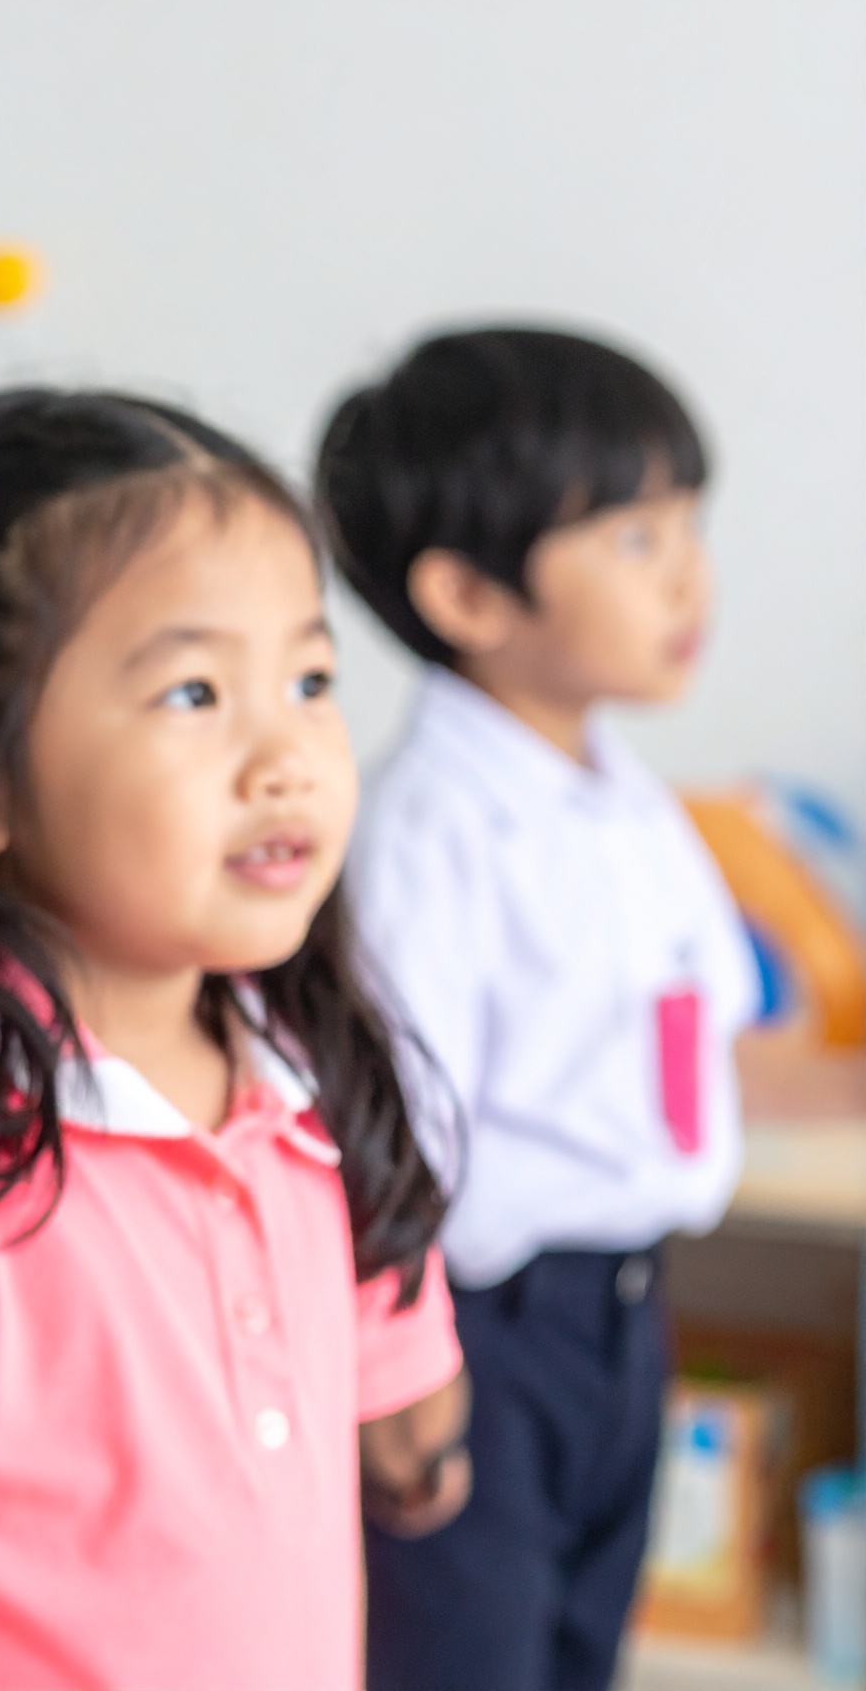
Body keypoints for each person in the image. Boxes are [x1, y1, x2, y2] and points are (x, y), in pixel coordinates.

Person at [0, 388, 471, 1691]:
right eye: (193, 691)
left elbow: (401, 1408)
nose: (286, 753)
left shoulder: (300, 1077)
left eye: (309, 679)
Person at [317, 328, 755, 1691]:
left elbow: (696, 1032)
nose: (689, 573)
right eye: (635, 538)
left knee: (581, 1649)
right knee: (470, 1657)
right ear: (468, 593)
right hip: (491, 1332)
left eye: (688, 523)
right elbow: (390, 1125)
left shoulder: (628, 800)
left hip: (626, 1318)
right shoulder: (432, 832)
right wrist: (404, 1362)